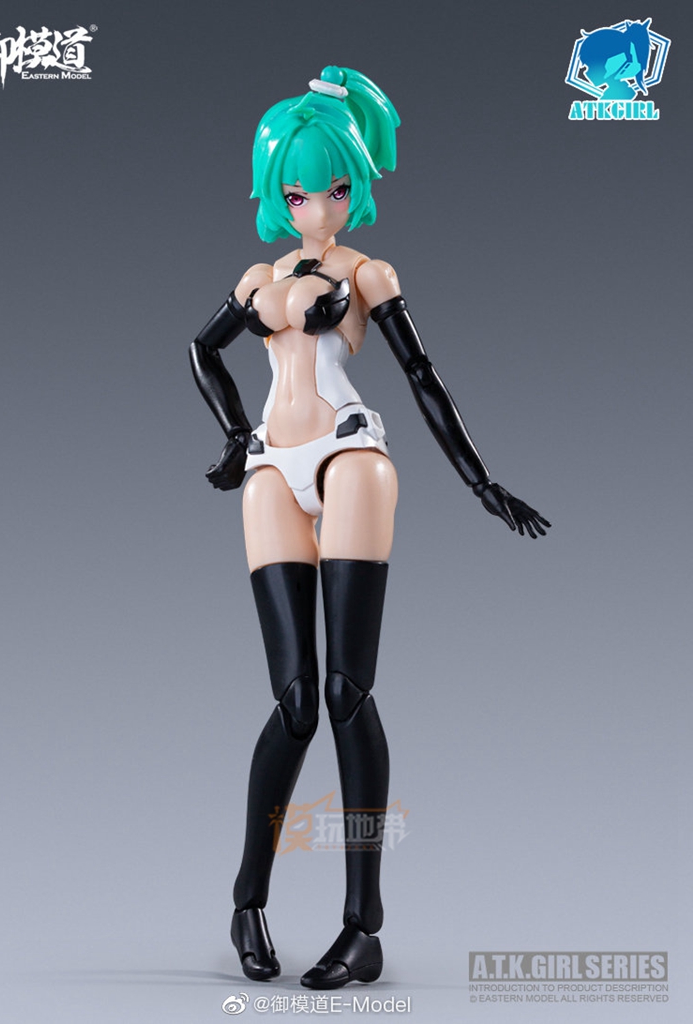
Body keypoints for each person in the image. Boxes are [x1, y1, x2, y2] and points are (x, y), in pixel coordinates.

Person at [190, 66, 550, 990]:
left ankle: (363, 926)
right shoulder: (259, 278)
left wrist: (480, 479)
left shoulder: (366, 272)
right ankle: (247, 900)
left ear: (354, 189)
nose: (320, 209)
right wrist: (232, 434)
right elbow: (199, 349)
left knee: (348, 691)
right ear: (279, 193)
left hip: (349, 458)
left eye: (337, 190)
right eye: (302, 193)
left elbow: (424, 376)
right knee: (295, 703)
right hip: (272, 471)